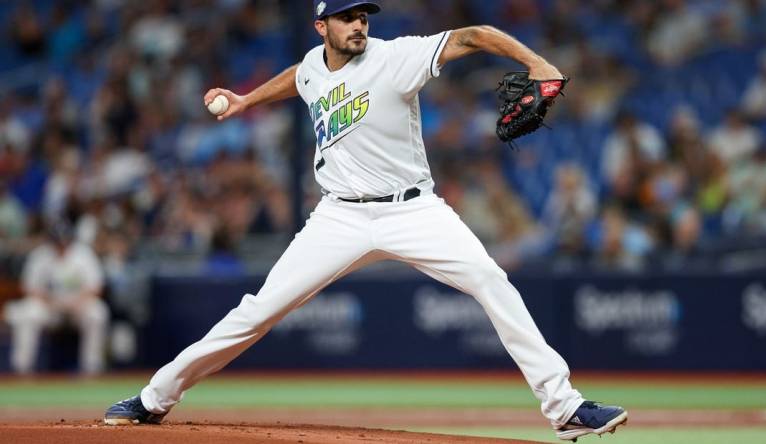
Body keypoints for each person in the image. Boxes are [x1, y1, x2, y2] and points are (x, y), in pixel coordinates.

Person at [104, 1, 627, 441]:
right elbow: (302, 78)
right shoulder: (313, 64)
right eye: (346, 17)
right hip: (339, 217)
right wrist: (247, 100)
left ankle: (565, 409)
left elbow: (475, 34)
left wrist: (537, 63)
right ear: (322, 26)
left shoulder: (396, 57)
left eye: (363, 16)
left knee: (492, 281)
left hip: (414, 210)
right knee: (258, 311)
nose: (358, 24)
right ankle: (154, 398)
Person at [3, 221, 108, 375]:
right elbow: (28, 287)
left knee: (98, 313)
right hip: (49, 307)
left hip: (78, 306)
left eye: (65, 241)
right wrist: (49, 301)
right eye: (58, 241)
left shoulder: (83, 254)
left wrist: (77, 301)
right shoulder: (40, 255)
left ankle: (92, 368)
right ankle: (22, 369)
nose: (61, 244)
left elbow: (96, 287)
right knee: (29, 314)